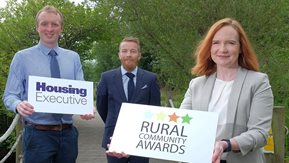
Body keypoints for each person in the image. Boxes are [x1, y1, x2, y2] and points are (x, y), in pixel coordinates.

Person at [2, 5, 95, 163]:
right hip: (37, 135)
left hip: (68, 135)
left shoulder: (73, 58)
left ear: (61, 28)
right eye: (44, 24)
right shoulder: (21, 58)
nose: (49, 29)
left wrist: (87, 106)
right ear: (37, 27)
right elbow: (9, 95)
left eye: (55, 24)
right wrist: (18, 105)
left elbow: (81, 91)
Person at [179, 18, 273, 163]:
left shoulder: (258, 82)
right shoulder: (196, 85)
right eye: (216, 43)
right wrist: (136, 144)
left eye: (231, 43)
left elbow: (259, 134)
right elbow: (179, 127)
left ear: (241, 48)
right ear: (209, 48)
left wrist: (226, 145)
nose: (222, 49)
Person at [96, 36, 161, 163]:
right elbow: (101, 106)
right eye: (124, 51)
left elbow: (155, 109)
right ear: (119, 54)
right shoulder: (106, 78)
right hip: (114, 138)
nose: (128, 55)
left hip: (142, 138)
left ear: (139, 55)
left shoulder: (150, 79)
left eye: (133, 51)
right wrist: (114, 122)